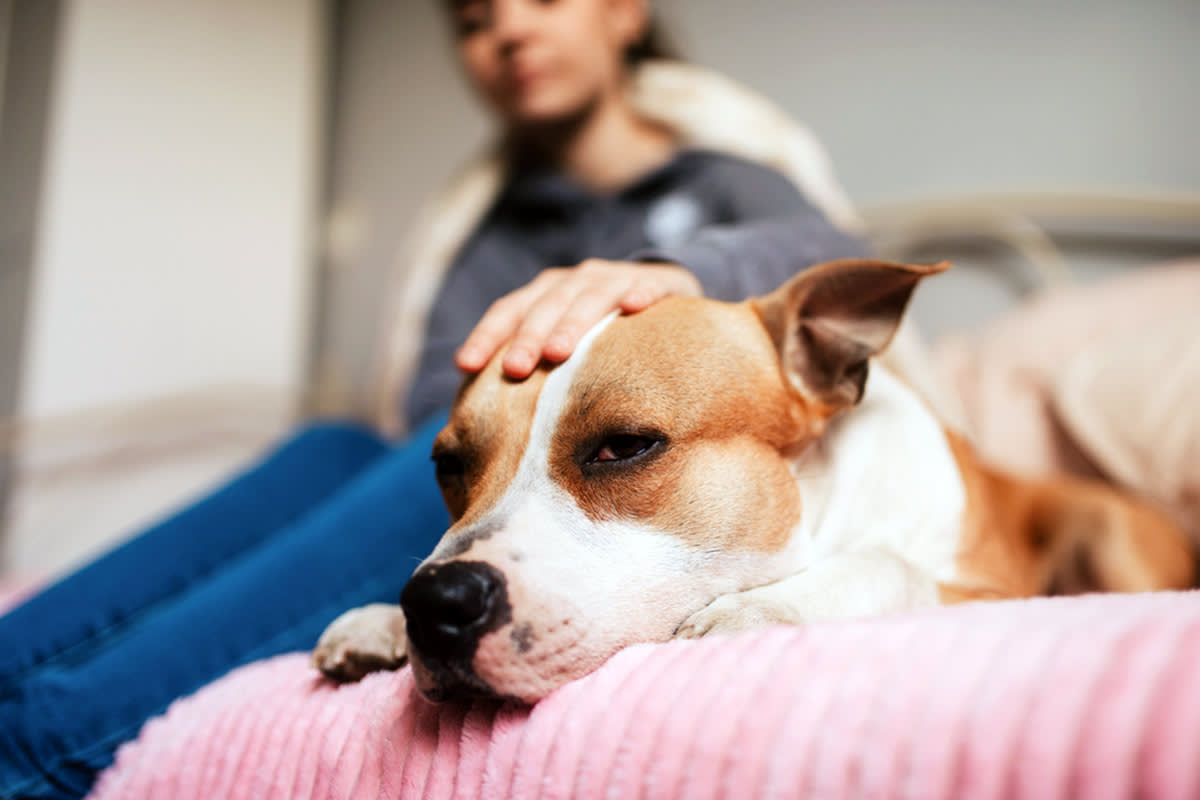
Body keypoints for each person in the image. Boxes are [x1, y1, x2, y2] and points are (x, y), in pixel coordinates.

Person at [0, 1, 867, 797]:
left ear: (624, 12)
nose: (509, 32)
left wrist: (681, 275)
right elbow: (435, 411)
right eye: (475, 20)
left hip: (537, 491)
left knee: (391, 474)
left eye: (543, 1)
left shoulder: (727, 181)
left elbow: (834, 263)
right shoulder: (485, 232)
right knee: (336, 445)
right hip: (474, 486)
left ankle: (36, 749)